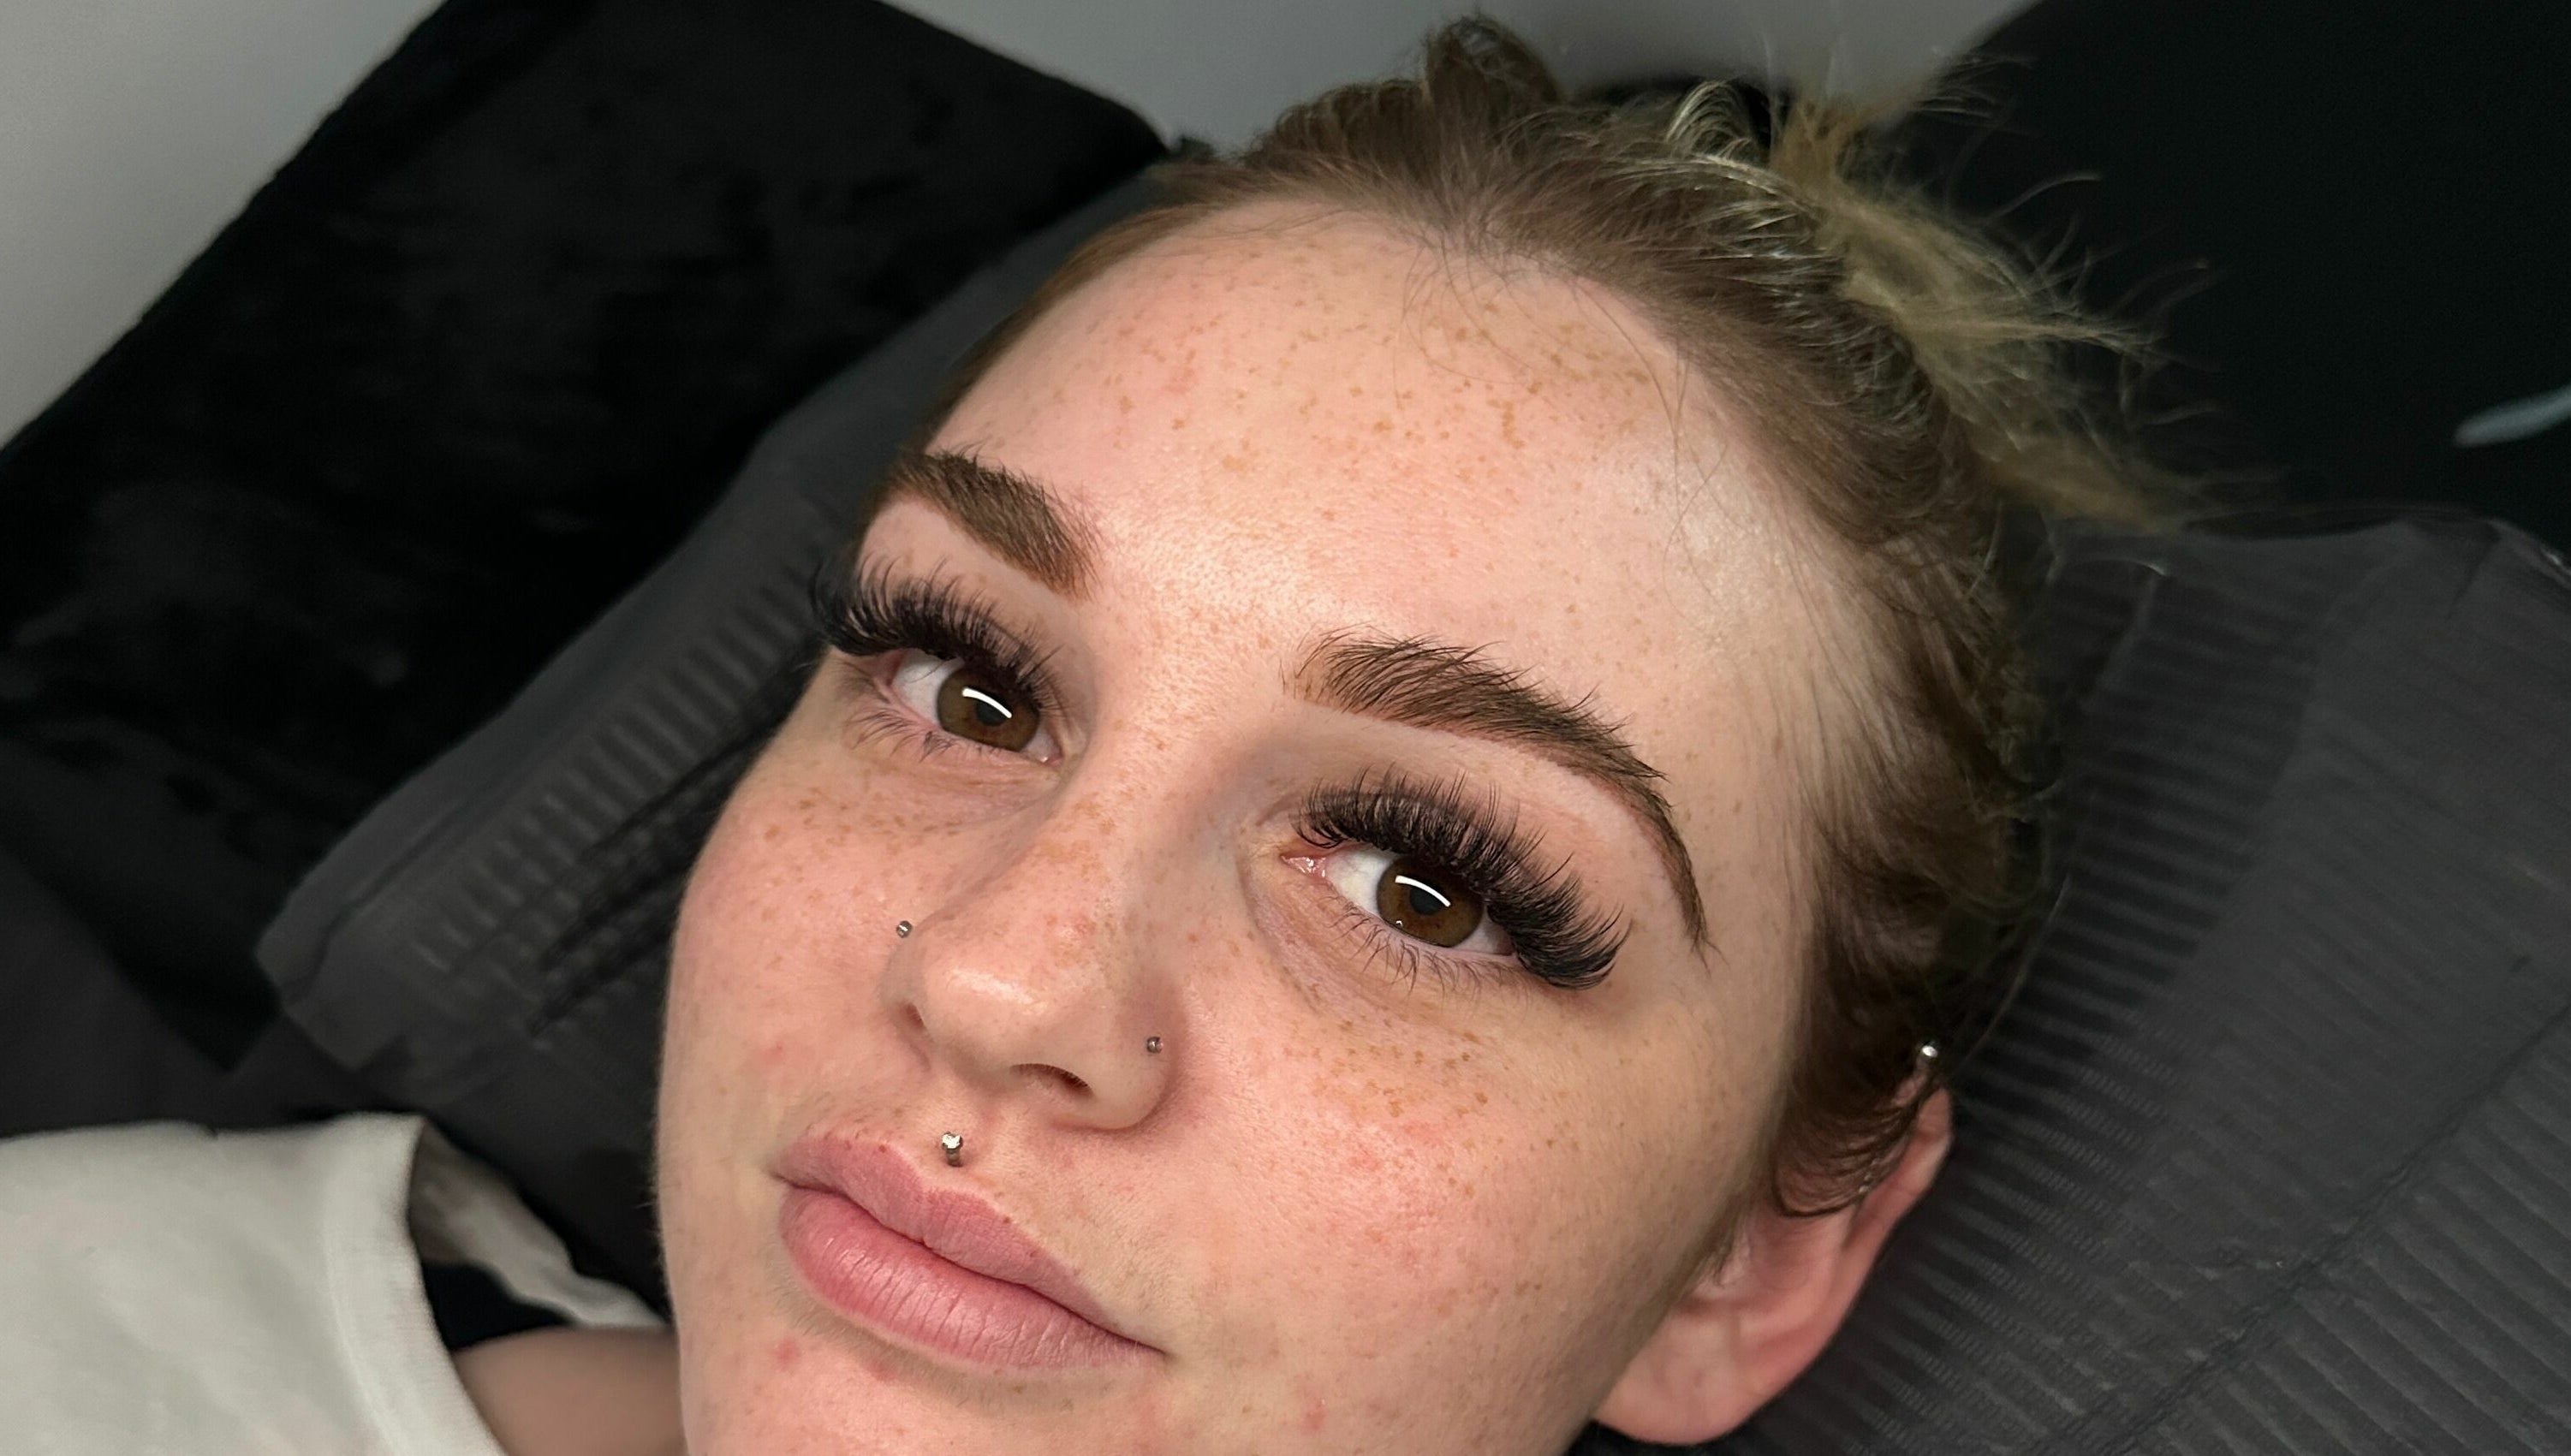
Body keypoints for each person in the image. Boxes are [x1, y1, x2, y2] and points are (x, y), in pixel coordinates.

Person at [0, 18, 2163, 1455]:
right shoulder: (90, 1288)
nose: (993, 974)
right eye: (971, 683)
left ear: (1749, 1259)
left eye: (1424, 881)